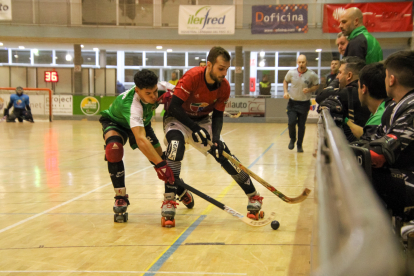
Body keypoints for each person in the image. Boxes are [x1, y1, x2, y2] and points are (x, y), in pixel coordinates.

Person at [161, 46, 264, 224]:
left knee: (224, 154)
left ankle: (253, 196)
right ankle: (169, 200)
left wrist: (216, 138)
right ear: (209, 65)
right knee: (175, 148)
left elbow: (217, 115)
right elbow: (174, 107)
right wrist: (193, 127)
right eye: (221, 68)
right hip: (178, 120)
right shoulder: (192, 77)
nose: (224, 73)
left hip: (202, 122)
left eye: (227, 69)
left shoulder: (224, 86)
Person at [99, 69, 175, 223]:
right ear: (137, 90)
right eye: (148, 93)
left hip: (142, 124)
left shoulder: (162, 87)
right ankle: (120, 197)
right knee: (114, 149)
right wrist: (160, 165)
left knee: (161, 156)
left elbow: (185, 93)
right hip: (117, 123)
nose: (154, 96)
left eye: (155, 91)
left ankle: (175, 192)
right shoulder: (132, 105)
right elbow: (140, 139)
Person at [366, 50, 414, 218]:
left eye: (386, 76)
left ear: (391, 79)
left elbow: (381, 154)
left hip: (410, 180)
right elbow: (373, 139)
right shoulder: (394, 107)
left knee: (358, 176)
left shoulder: (411, 106)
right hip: (404, 172)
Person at [316, 56, 370, 142]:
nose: (337, 77)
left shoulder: (349, 92)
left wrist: (335, 84)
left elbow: (320, 96)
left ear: (349, 75)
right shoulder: (365, 89)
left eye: (340, 72)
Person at [283, 54, 319, 152]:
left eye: (303, 62)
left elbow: (316, 85)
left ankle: (299, 145)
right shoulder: (291, 73)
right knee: (291, 122)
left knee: (301, 125)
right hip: (292, 103)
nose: (301, 64)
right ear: (297, 62)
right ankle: (292, 139)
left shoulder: (311, 74)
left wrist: (310, 89)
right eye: (299, 62)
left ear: (306, 62)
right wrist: (286, 92)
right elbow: (285, 81)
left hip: (304, 103)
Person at [348, 63, 390, 140]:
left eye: (358, 86)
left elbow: (367, 144)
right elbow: (365, 133)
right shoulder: (383, 107)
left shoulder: (380, 117)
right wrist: (345, 120)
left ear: (363, 88)